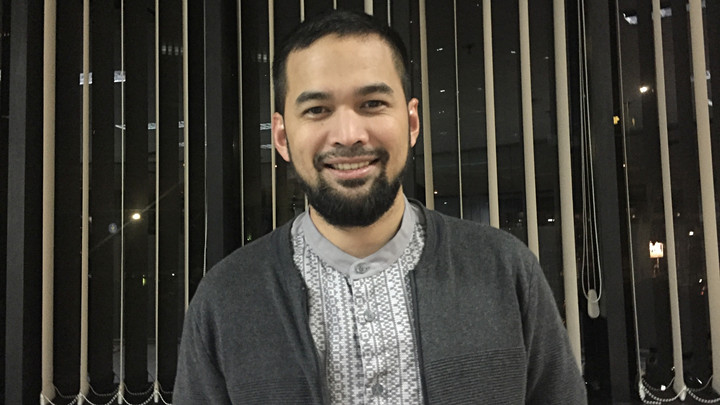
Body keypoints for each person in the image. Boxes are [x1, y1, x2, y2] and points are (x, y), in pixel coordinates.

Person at [174, 9, 587, 405]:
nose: (349, 134)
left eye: (372, 103)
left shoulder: (503, 270)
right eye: (317, 110)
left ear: (411, 122)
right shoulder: (225, 299)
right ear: (282, 137)